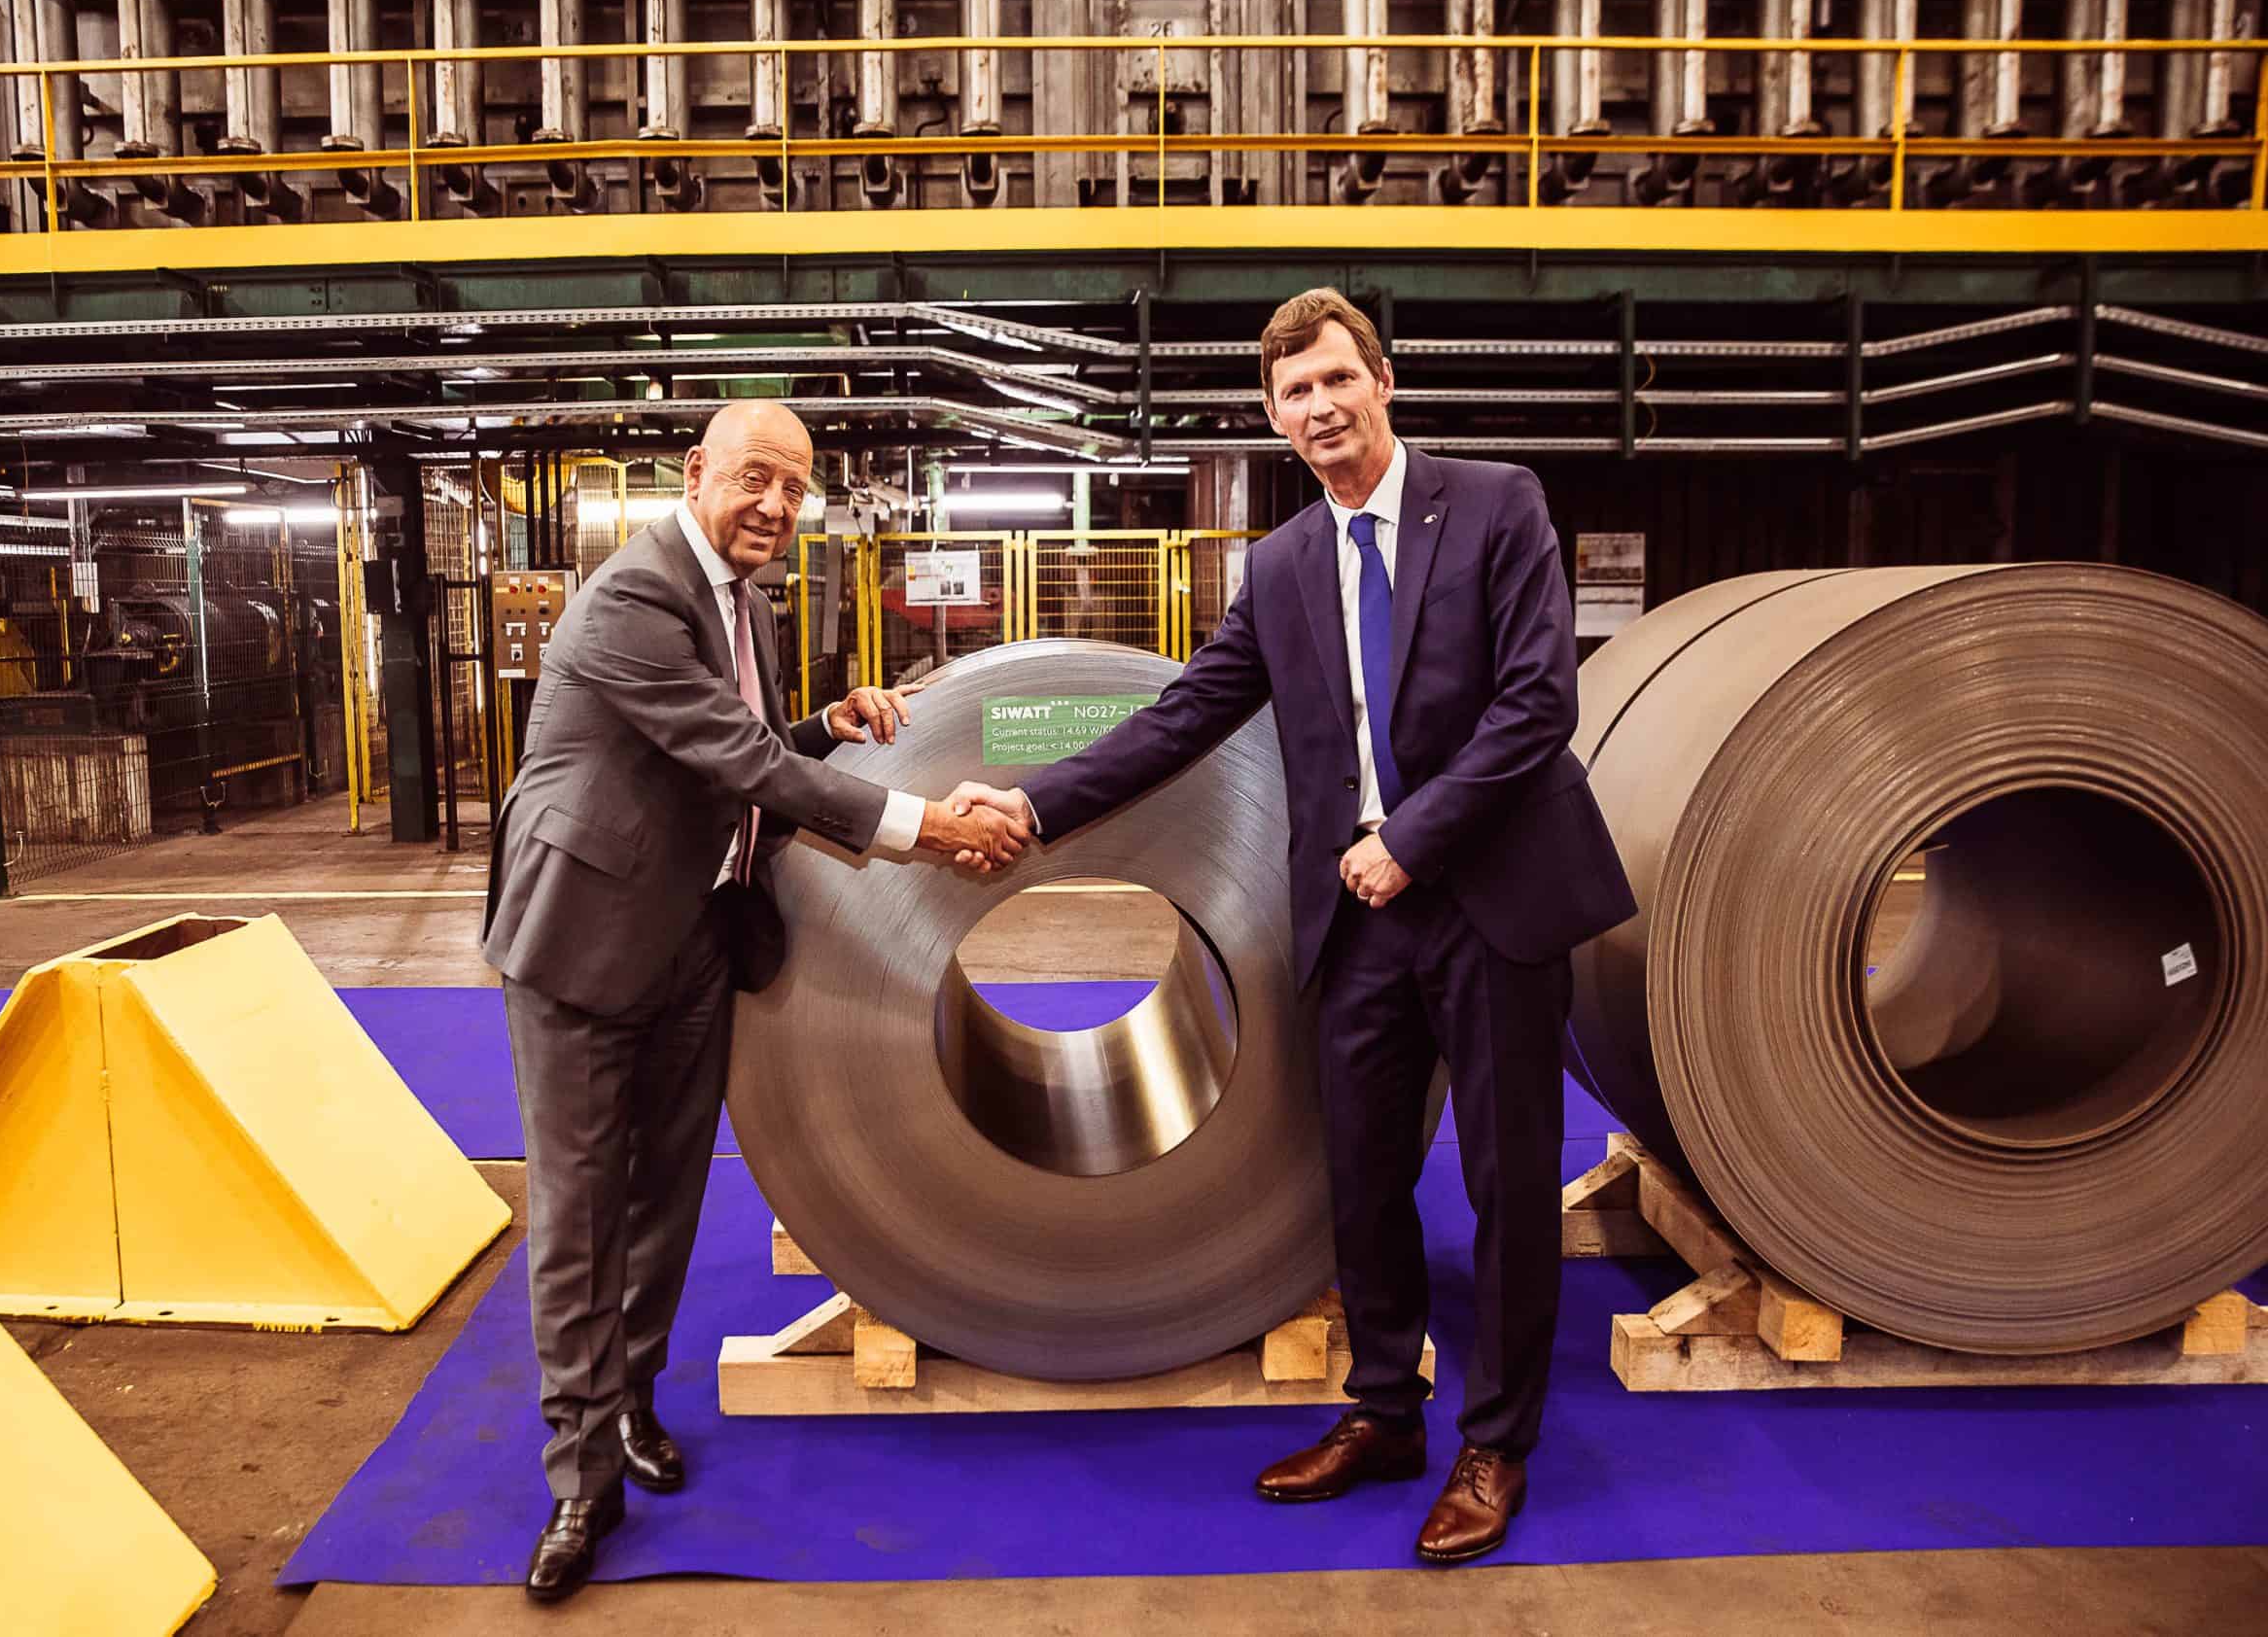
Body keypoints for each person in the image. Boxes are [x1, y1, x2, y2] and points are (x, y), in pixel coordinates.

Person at [951, 290, 1635, 1565]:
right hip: (1357, 916)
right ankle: (1385, 1410)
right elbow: (1187, 713)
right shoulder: (1277, 567)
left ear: (1383, 381)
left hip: (1488, 895)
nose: (1318, 407)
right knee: (1361, 1176)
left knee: (1504, 1180)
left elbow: (1538, 701)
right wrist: (1033, 803)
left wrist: (1412, 837)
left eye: (1334, 379)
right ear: (1273, 418)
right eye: (1292, 394)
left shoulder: (1495, 504)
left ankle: (1497, 1441)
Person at [482, 399, 1028, 1603]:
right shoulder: (633, 596)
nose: (776, 507)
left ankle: (628, 1403)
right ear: (696, 473)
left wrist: (824, 725)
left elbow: (742, 743)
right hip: (584, 941)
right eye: (755, 480)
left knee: (665, 1198)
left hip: (695, 933)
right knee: (580, 1213)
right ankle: (581, 1478)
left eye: (794, 488)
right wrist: (925, 828)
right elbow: (734, 760)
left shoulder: (745, 601)